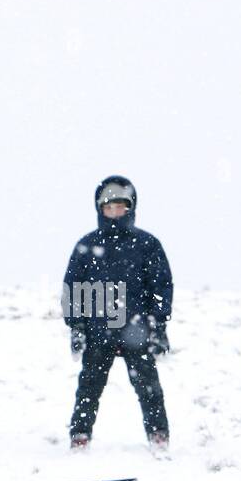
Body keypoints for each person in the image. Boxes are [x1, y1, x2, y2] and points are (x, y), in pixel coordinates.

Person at [63, 176, 173, 449]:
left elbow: (160, 286)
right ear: (100, 209)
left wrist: (158, 327)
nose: (114, 212)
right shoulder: (86, 247)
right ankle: (80, 436)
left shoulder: (147, 245)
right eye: (109, 207)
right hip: (98, 331)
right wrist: (77, 327)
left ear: (131, 207)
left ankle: (158, 435)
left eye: (121, 206)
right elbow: (74, 289)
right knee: (89, 387)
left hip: (137, 330)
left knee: (149, 387)